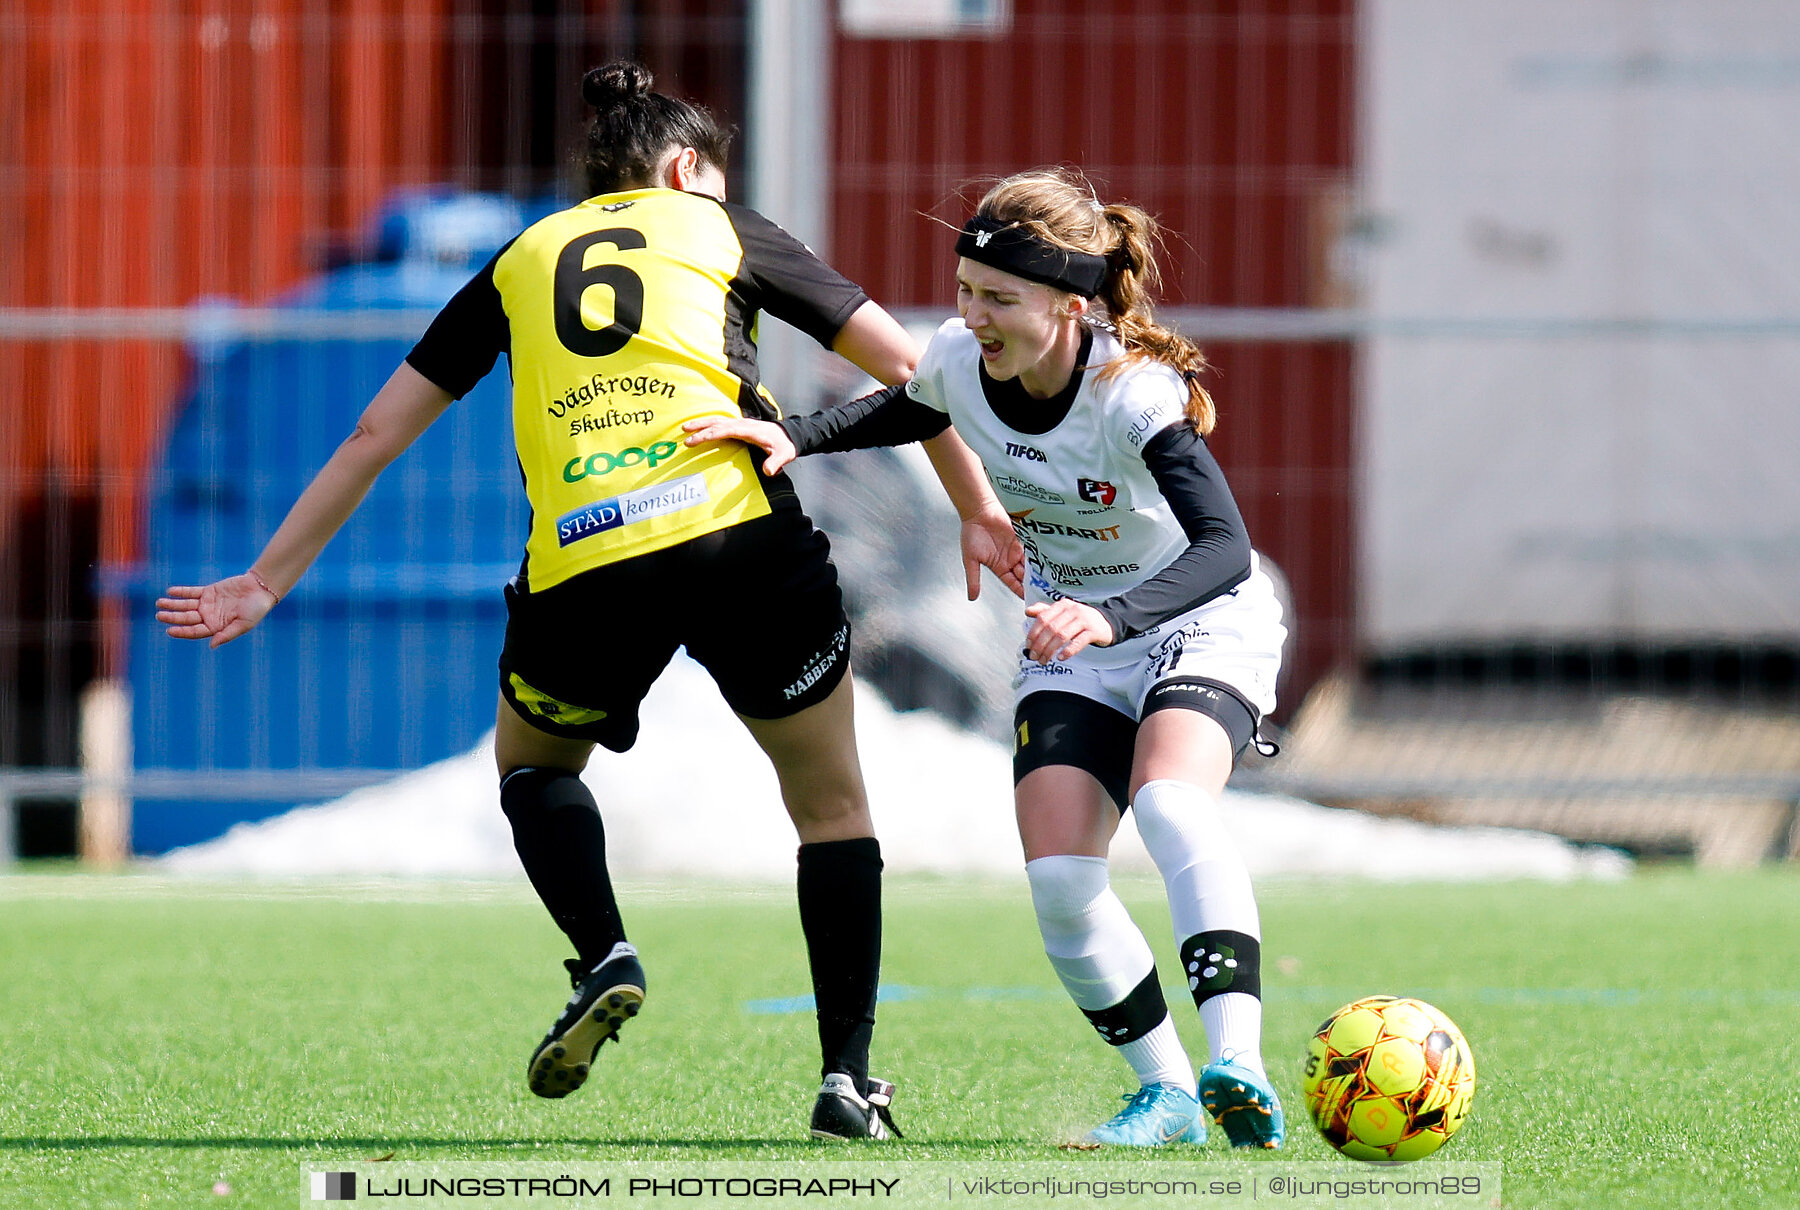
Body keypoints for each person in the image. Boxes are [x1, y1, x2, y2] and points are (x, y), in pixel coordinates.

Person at [157, 61, 1022, 1142]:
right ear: (684, 165)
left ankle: (604, 949)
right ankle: (848, 1078)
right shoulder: (720, 226)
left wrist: (264, 577)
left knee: (532, 767)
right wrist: (977, 508)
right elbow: (914, 371)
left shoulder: (521, 258)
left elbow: (376, 431)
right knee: (833, 808)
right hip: (738, 531)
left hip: (587, 554)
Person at [682, 168, 1287, 1149]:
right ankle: (1169, 1092)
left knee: (1172, 804)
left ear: (1070, 304)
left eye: (999, 297)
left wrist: (1116, 616)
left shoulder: (1129, 393)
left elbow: (1223, 545)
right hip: (1073, 633)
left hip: (1193, 618)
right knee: (1058, 882)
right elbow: (913, 408)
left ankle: (1238, 1062)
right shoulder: (962, 357)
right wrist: (790, 436)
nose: (974, 313)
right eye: (966, 288)